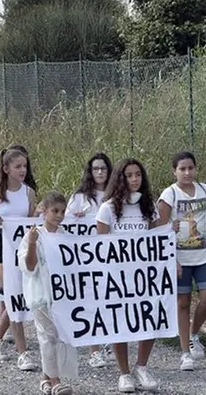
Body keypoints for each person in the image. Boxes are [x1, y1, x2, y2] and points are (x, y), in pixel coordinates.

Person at [95, 158, 164, 393]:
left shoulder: (149, 207)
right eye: (129, 175)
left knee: (150, 319)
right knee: (120, 323)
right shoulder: (108, 208)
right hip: (118, 276)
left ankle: (141, 366)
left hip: (145, 275)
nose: (135, 179)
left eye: (138, 175)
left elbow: (158, 241)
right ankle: (124, 373)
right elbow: (100, 245)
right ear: (121, 179)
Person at [157, 151, 206, 371]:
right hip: (179, 257)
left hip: (203, 255)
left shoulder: (205, 191)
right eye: (182, 169)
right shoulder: (169, 195)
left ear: (195, 169)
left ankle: (193, 333)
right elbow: (159, 226)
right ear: (174, 171)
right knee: (183, 302)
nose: (187, 173)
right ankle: (185, 352)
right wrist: (170, 256)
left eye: (190, 168)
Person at [0, 148, 38, 371]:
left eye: (25, 166)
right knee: (13, 295)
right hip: (2, 249)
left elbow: (32, 220)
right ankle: (23, 352)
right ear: (6, 169)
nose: (22, 170)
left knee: (19, 296)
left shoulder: (29, 193)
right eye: (18, 166)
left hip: (22, 249)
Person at [18, 191, 79, 395]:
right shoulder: (33, 236)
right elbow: (29, 265)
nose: (59, 215)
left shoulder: (65, 236)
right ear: (44, 211)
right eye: (55, 211)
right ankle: (55, 381)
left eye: (62, 211)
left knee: (60, 335)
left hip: (61, 295)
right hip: (40, 294)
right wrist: (33, 243)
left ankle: (46, 378)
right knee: (48, 335)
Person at [69, 152, 114, 368]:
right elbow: (64, 223)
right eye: (95, 169)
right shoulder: (80, 198)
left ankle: (107, 341)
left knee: (110, 302)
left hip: (112, 259)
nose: (99, 172)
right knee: (91, 303)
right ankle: (94, 350)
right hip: (88, 260)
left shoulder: (116, 196)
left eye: (103, 169)